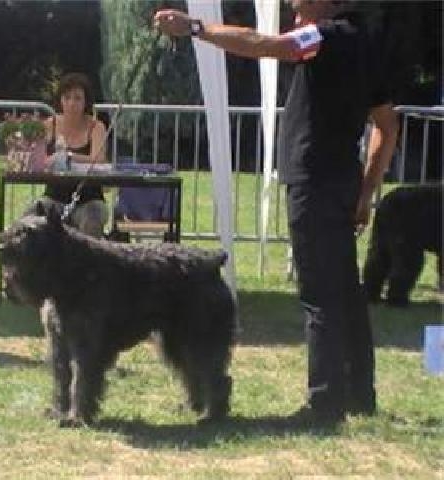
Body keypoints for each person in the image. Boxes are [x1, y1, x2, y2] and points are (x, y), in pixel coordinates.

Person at [154, 0, 399, 424]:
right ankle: (360, 393)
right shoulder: (364, 42)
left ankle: (323, 403)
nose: (290, 3)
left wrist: (195, 28)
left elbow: (264, 44)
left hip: (314, 179)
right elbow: (387, 125)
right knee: (346, 293)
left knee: (319, 295)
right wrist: (365, 190)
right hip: (342, 180)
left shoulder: (322, 36)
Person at [28, 72, 109, 238]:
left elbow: (98, 159)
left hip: (89, 199)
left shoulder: (96, 127)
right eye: (67, 97)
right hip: (54, 197)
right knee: (29, 218)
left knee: (93, 219)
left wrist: (68, 157)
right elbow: (37, 160)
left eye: (78, 98)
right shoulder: (49, 125)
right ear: (60, 100)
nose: (72, 103)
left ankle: (85, 264)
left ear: (86, 102)